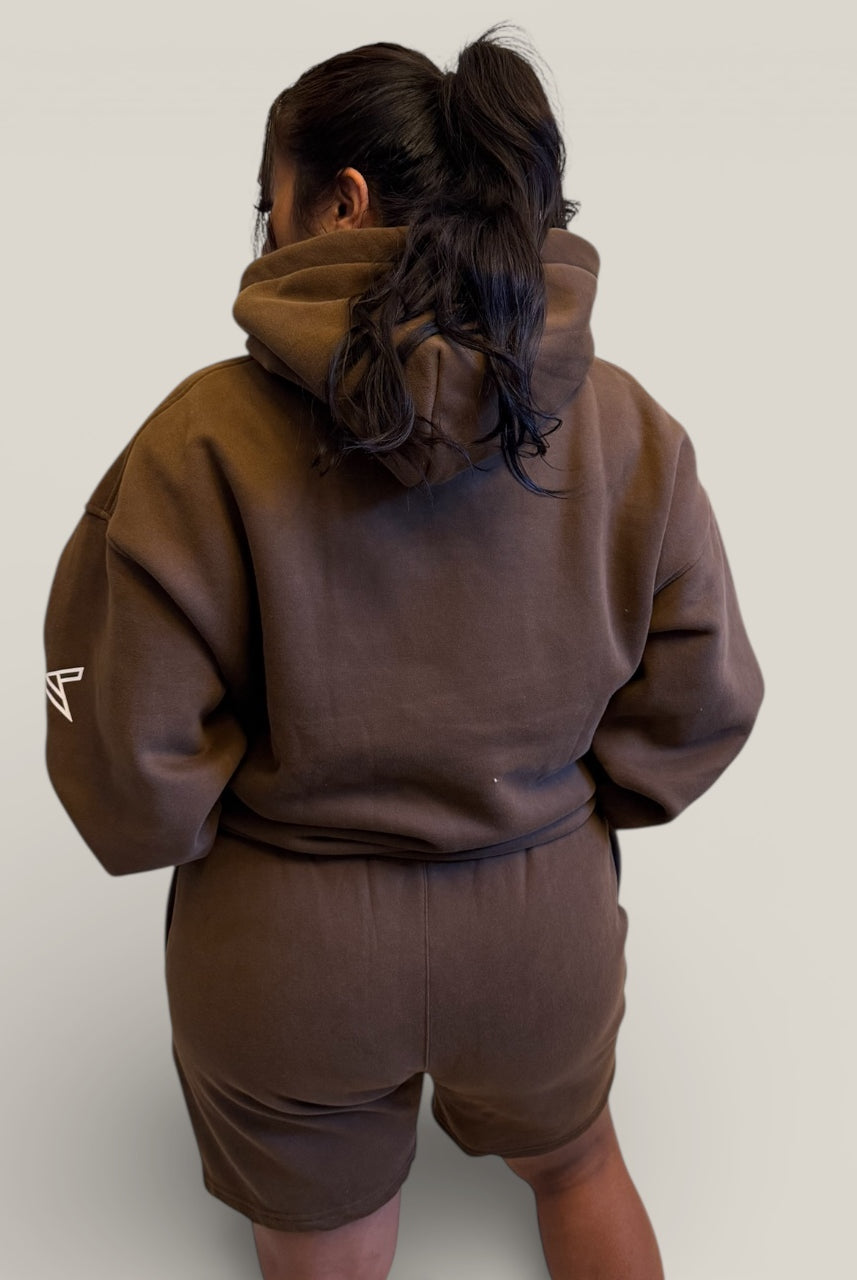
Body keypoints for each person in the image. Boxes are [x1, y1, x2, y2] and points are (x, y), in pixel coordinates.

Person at [42, 23, 764, 1280]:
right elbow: (706, 693)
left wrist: (199, 824)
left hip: (287, 958)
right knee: (579, 1166)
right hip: (540, 928)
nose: (259, 229)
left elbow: (114, 738)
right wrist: (557, 814)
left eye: (264, 199)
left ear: (340, 201)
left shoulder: (195, 441)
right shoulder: (625, 427)